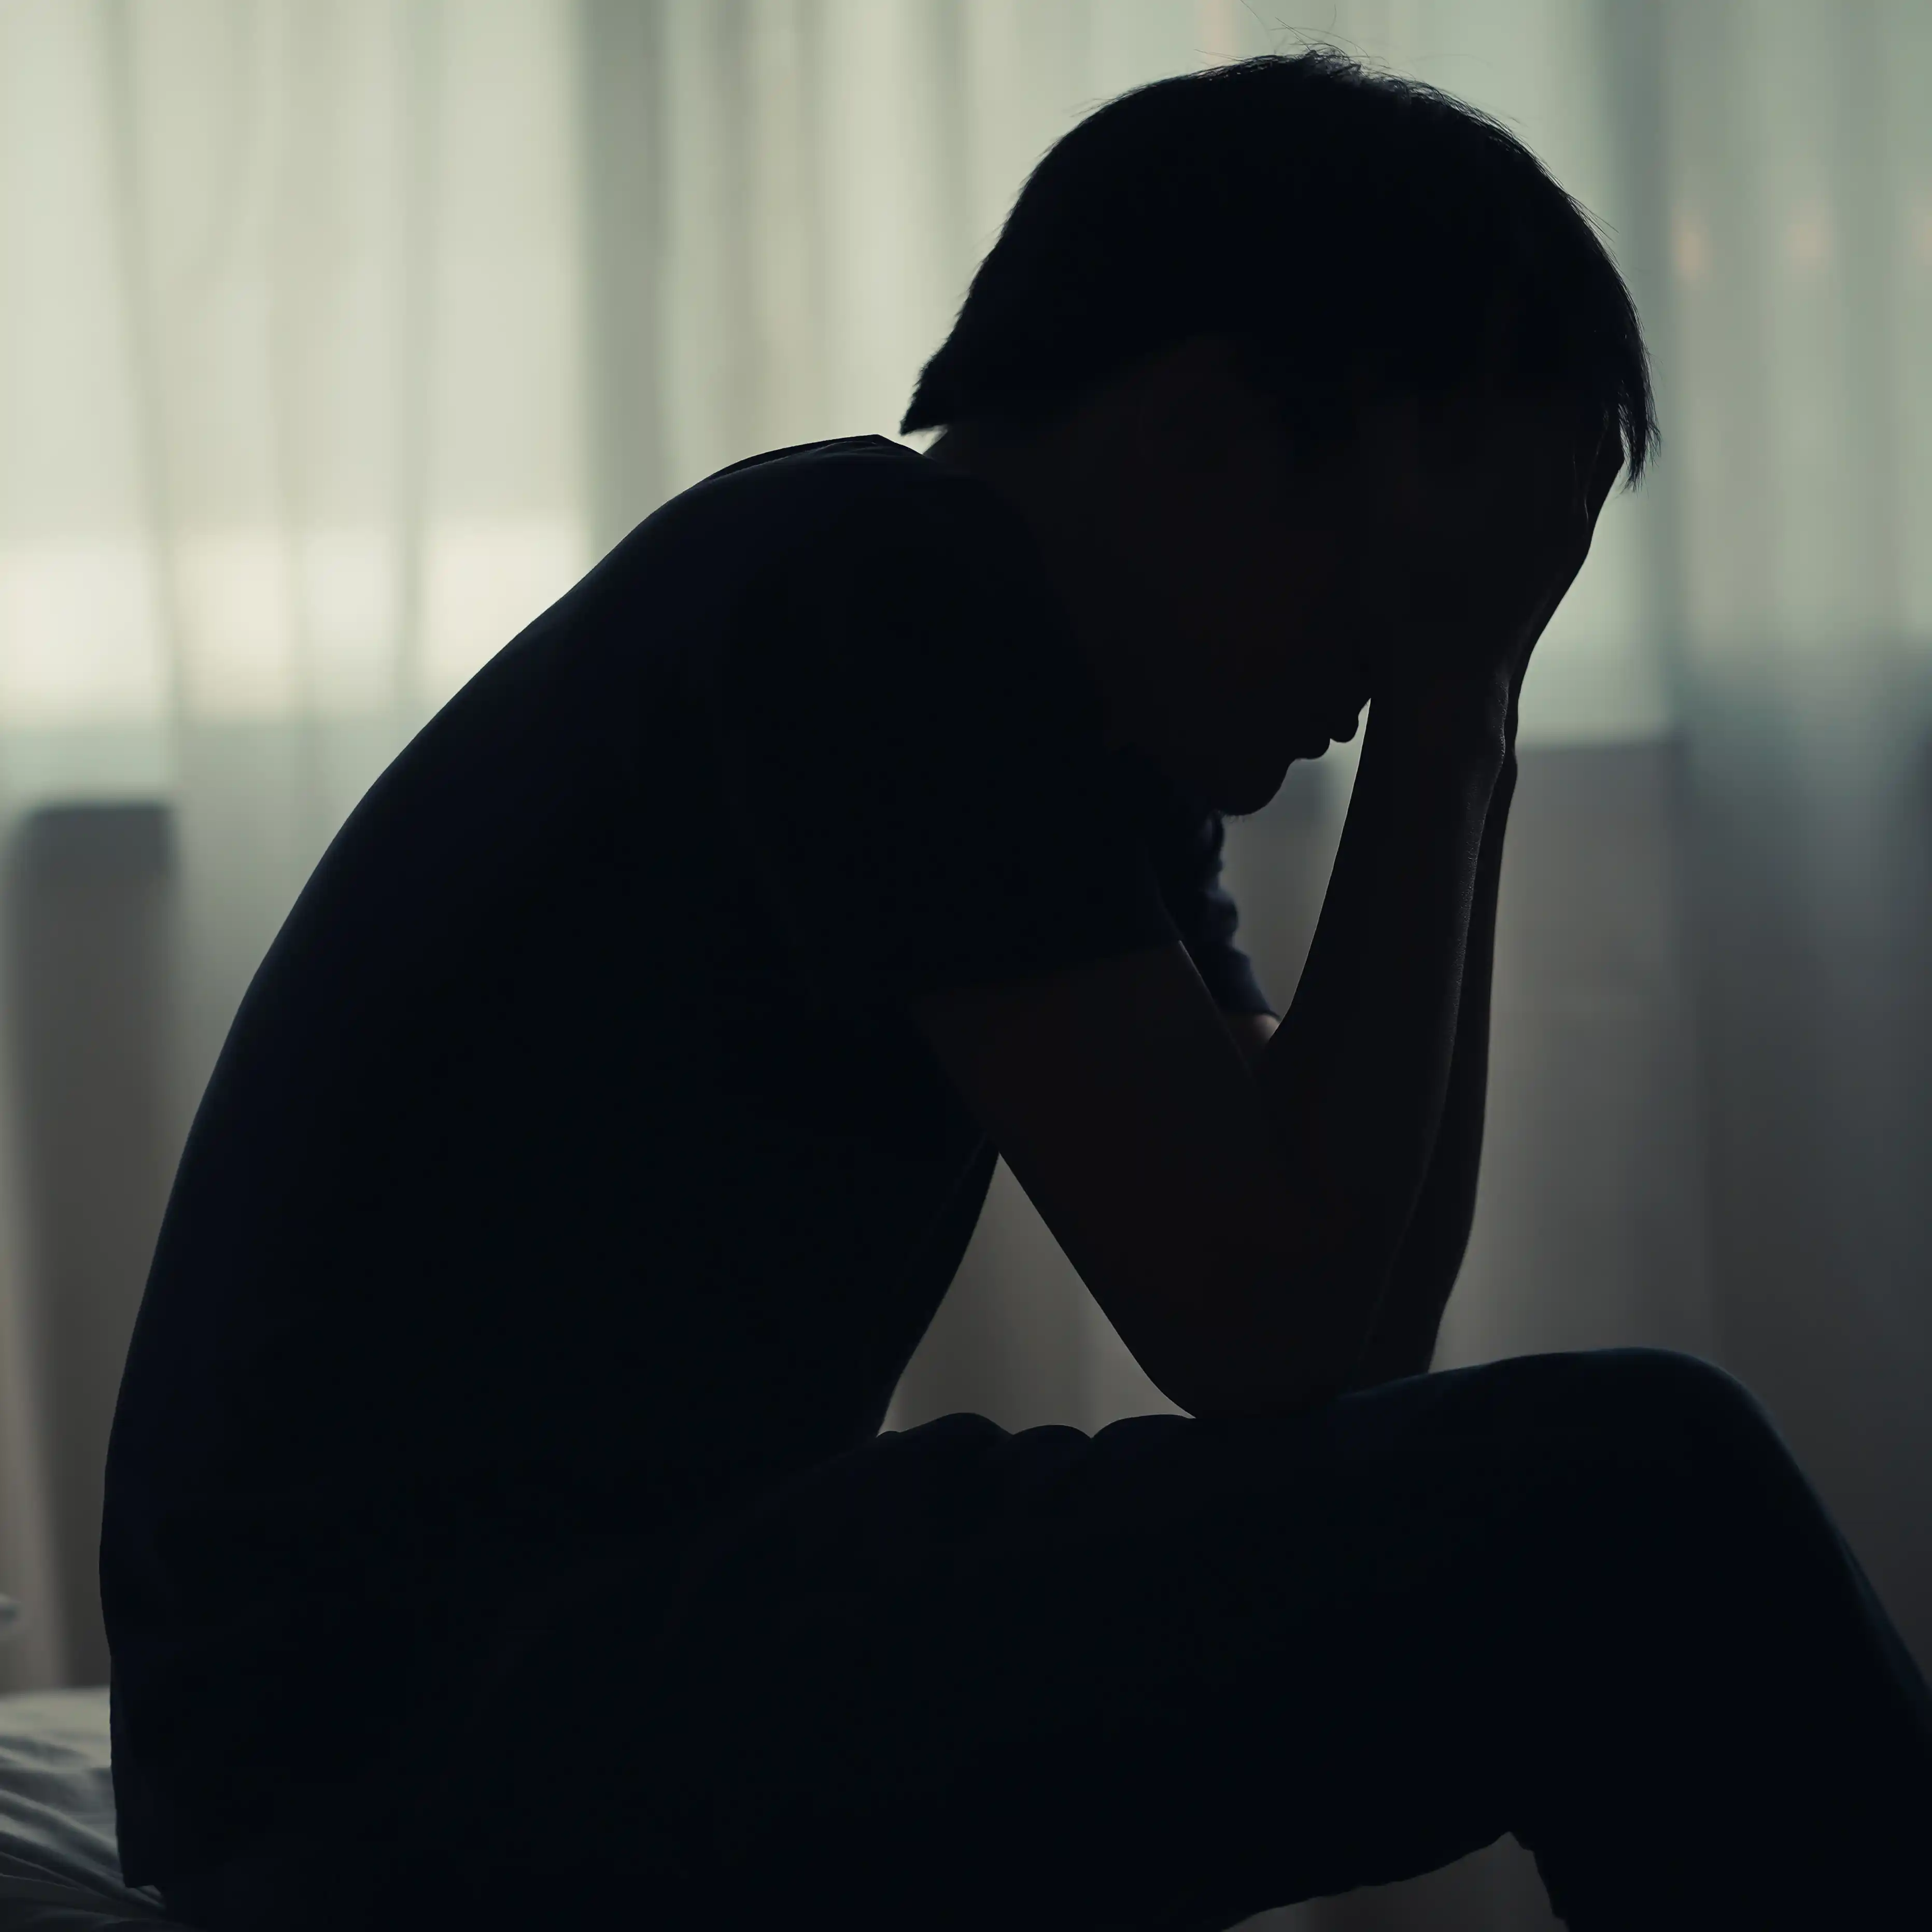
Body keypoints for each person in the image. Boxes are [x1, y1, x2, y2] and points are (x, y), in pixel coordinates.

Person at [102, 50, 1929, 1931]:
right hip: (415, 1749)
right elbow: (1268, 1328)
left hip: (478, 1706)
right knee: (1645, 1495)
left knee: (1626, 1501)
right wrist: (1454, 705)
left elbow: (1352, 1341)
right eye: (1415, 570)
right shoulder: (881, 596)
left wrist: (1469, 711)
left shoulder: (1061, 712)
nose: (1386, 669)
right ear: (1203, 430)